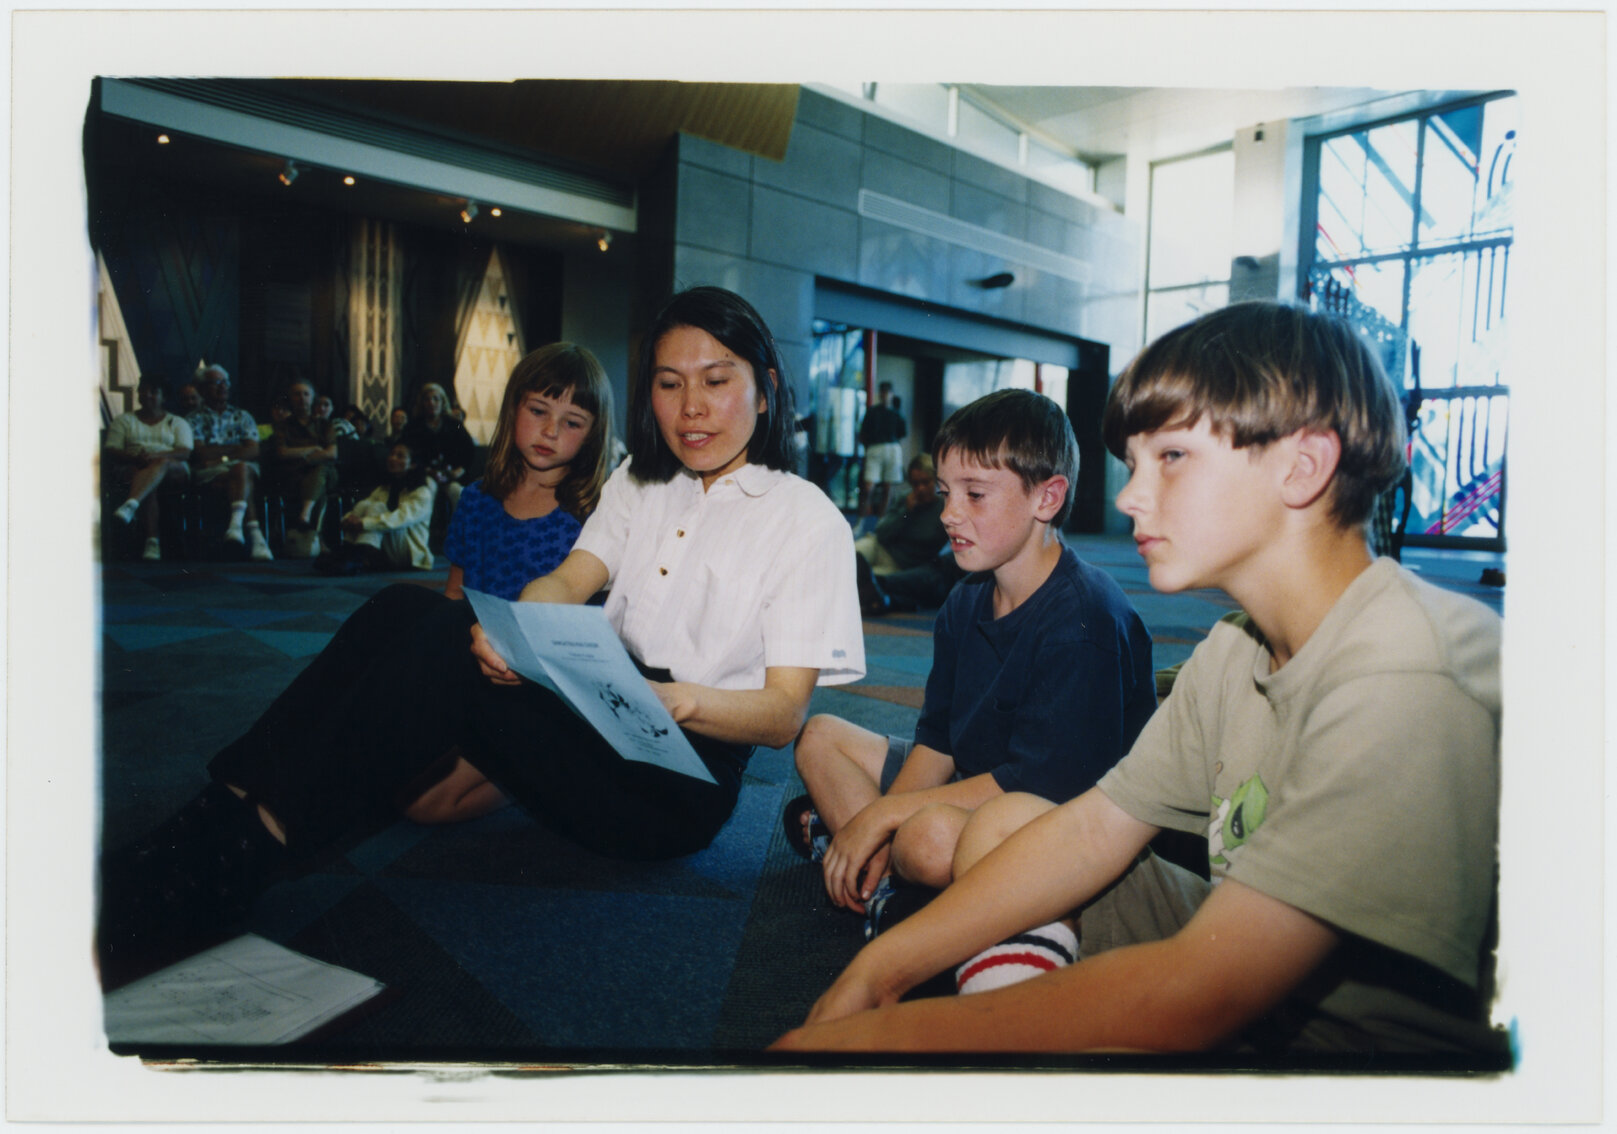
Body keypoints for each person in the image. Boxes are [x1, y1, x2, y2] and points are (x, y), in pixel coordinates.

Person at [773, 302, 1504, 1058]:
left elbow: (1202, 994)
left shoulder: (1405, 672)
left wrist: (878, 1033)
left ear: (1302, 466)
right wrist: (878, 970)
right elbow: (1093, 828)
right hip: (1248, 962)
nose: (1127, 498)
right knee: (1010, 828)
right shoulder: (1233, 649)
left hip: (1369, 1060)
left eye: (1172, 457)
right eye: (1134, 463)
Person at [97, 291, 866, 985]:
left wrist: (670, 701)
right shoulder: (640, 480)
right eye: (669, 383)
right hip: (603, 703)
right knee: (406, 608)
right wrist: (518, 632)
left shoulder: (806, 522)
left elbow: (781, 717)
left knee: (438, 655)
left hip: (678, 780)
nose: (691, 407)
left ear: (765, 387)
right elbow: (569, 577)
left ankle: (236, 861)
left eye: (716, 379)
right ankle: (220, 813)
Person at [787, 389, 1156, 950]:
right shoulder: (964, 600)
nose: (948, 514)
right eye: (945, 493)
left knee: (927, 839)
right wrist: (880, 821)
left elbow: (1041, 783)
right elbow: (937, 740)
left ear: (1047, 497)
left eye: (975, 494)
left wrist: (883, 819)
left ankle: (873, 863)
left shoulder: (1083, 620)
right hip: (976, 783)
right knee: (819, 736)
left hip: (1057, 814)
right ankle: (884, 879)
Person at [187, 364, 272, 560]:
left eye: (225, 382)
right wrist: (235, 449)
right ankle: (255, 537)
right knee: (242, 477)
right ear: (202, 389)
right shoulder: (193, 419)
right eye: (216, 382)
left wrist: (220, 455)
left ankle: (235, 527)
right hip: (211, 472)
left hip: (236, 467)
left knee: (241, 470)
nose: (223, 386)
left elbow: (253, 450)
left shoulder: (242, 416)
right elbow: (201, 453)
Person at [105, 376, 193, 561]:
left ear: (164, 397)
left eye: (153, 391)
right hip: (135, 466)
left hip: (173, 470)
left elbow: (184, 452)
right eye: (143, 390)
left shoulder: (177, 422)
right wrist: (135, 458)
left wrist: (154, 456)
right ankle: (152, 542)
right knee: (148, 482)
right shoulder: (124, 420)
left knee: (161, 465)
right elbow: (112, 449)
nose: (147, 395)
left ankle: (131, 505)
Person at [314, 441, 437, 575]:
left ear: (412, 464)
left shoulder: (422, 492)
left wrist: (363, 523)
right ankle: (349, 552)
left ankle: (357, 556)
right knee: (365, 505)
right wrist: (348, 519)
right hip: (388, 548)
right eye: (392, 454)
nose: (392, 458)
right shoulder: (385, 488)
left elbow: (400, 519)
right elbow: (363, 506)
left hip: (409, 554)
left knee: (377, 508)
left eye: (400, 456)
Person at [853, 453, 950, 616]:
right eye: (915, 484)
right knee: (847, 556)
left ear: (936, 481)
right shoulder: (906, 499)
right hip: (878, 546)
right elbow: (881, 533)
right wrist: (906, 512)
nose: (920, 489)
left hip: (899, 563)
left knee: (868, 581)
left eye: (926, 482)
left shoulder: (944, 508)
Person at [268, 378, 339, 548]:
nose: (302, 398)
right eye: (297, 394)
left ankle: (305, 516)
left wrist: (302, 456)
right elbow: (282, 452)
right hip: (294, 475)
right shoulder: (283, 426)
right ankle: (317, 539)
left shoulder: (325, 425)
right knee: (319, 485)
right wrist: (312, 449)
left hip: (324, 472)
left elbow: (332, 453)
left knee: (321, 469)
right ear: (291, 398)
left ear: (313, 398)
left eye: (306, 394)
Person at [401, 382, 476, 513]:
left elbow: (469, 450)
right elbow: (409, 454)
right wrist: (428, 471)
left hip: (450, 475)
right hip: (424, 475)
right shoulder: (413, 427)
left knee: (458, 493)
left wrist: (458, 471)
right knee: (427, 492)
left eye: (436, 399)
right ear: (422, 403)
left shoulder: (454, 424)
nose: (431, 402)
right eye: (427, 399)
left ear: (442, 402)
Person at [857, 381, 907, 519]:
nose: (885, 395)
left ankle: (881, 521)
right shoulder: (872, 412)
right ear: (880, 394)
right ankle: (861, 519)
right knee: (868, 486)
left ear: (892, 394)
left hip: (892, 448)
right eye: (883, 392)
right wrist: (867, 450)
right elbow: (863, 433)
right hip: (875, 448)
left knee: (888, 488)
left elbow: (901, 434)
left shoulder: (897, 414)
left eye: (888, 392)